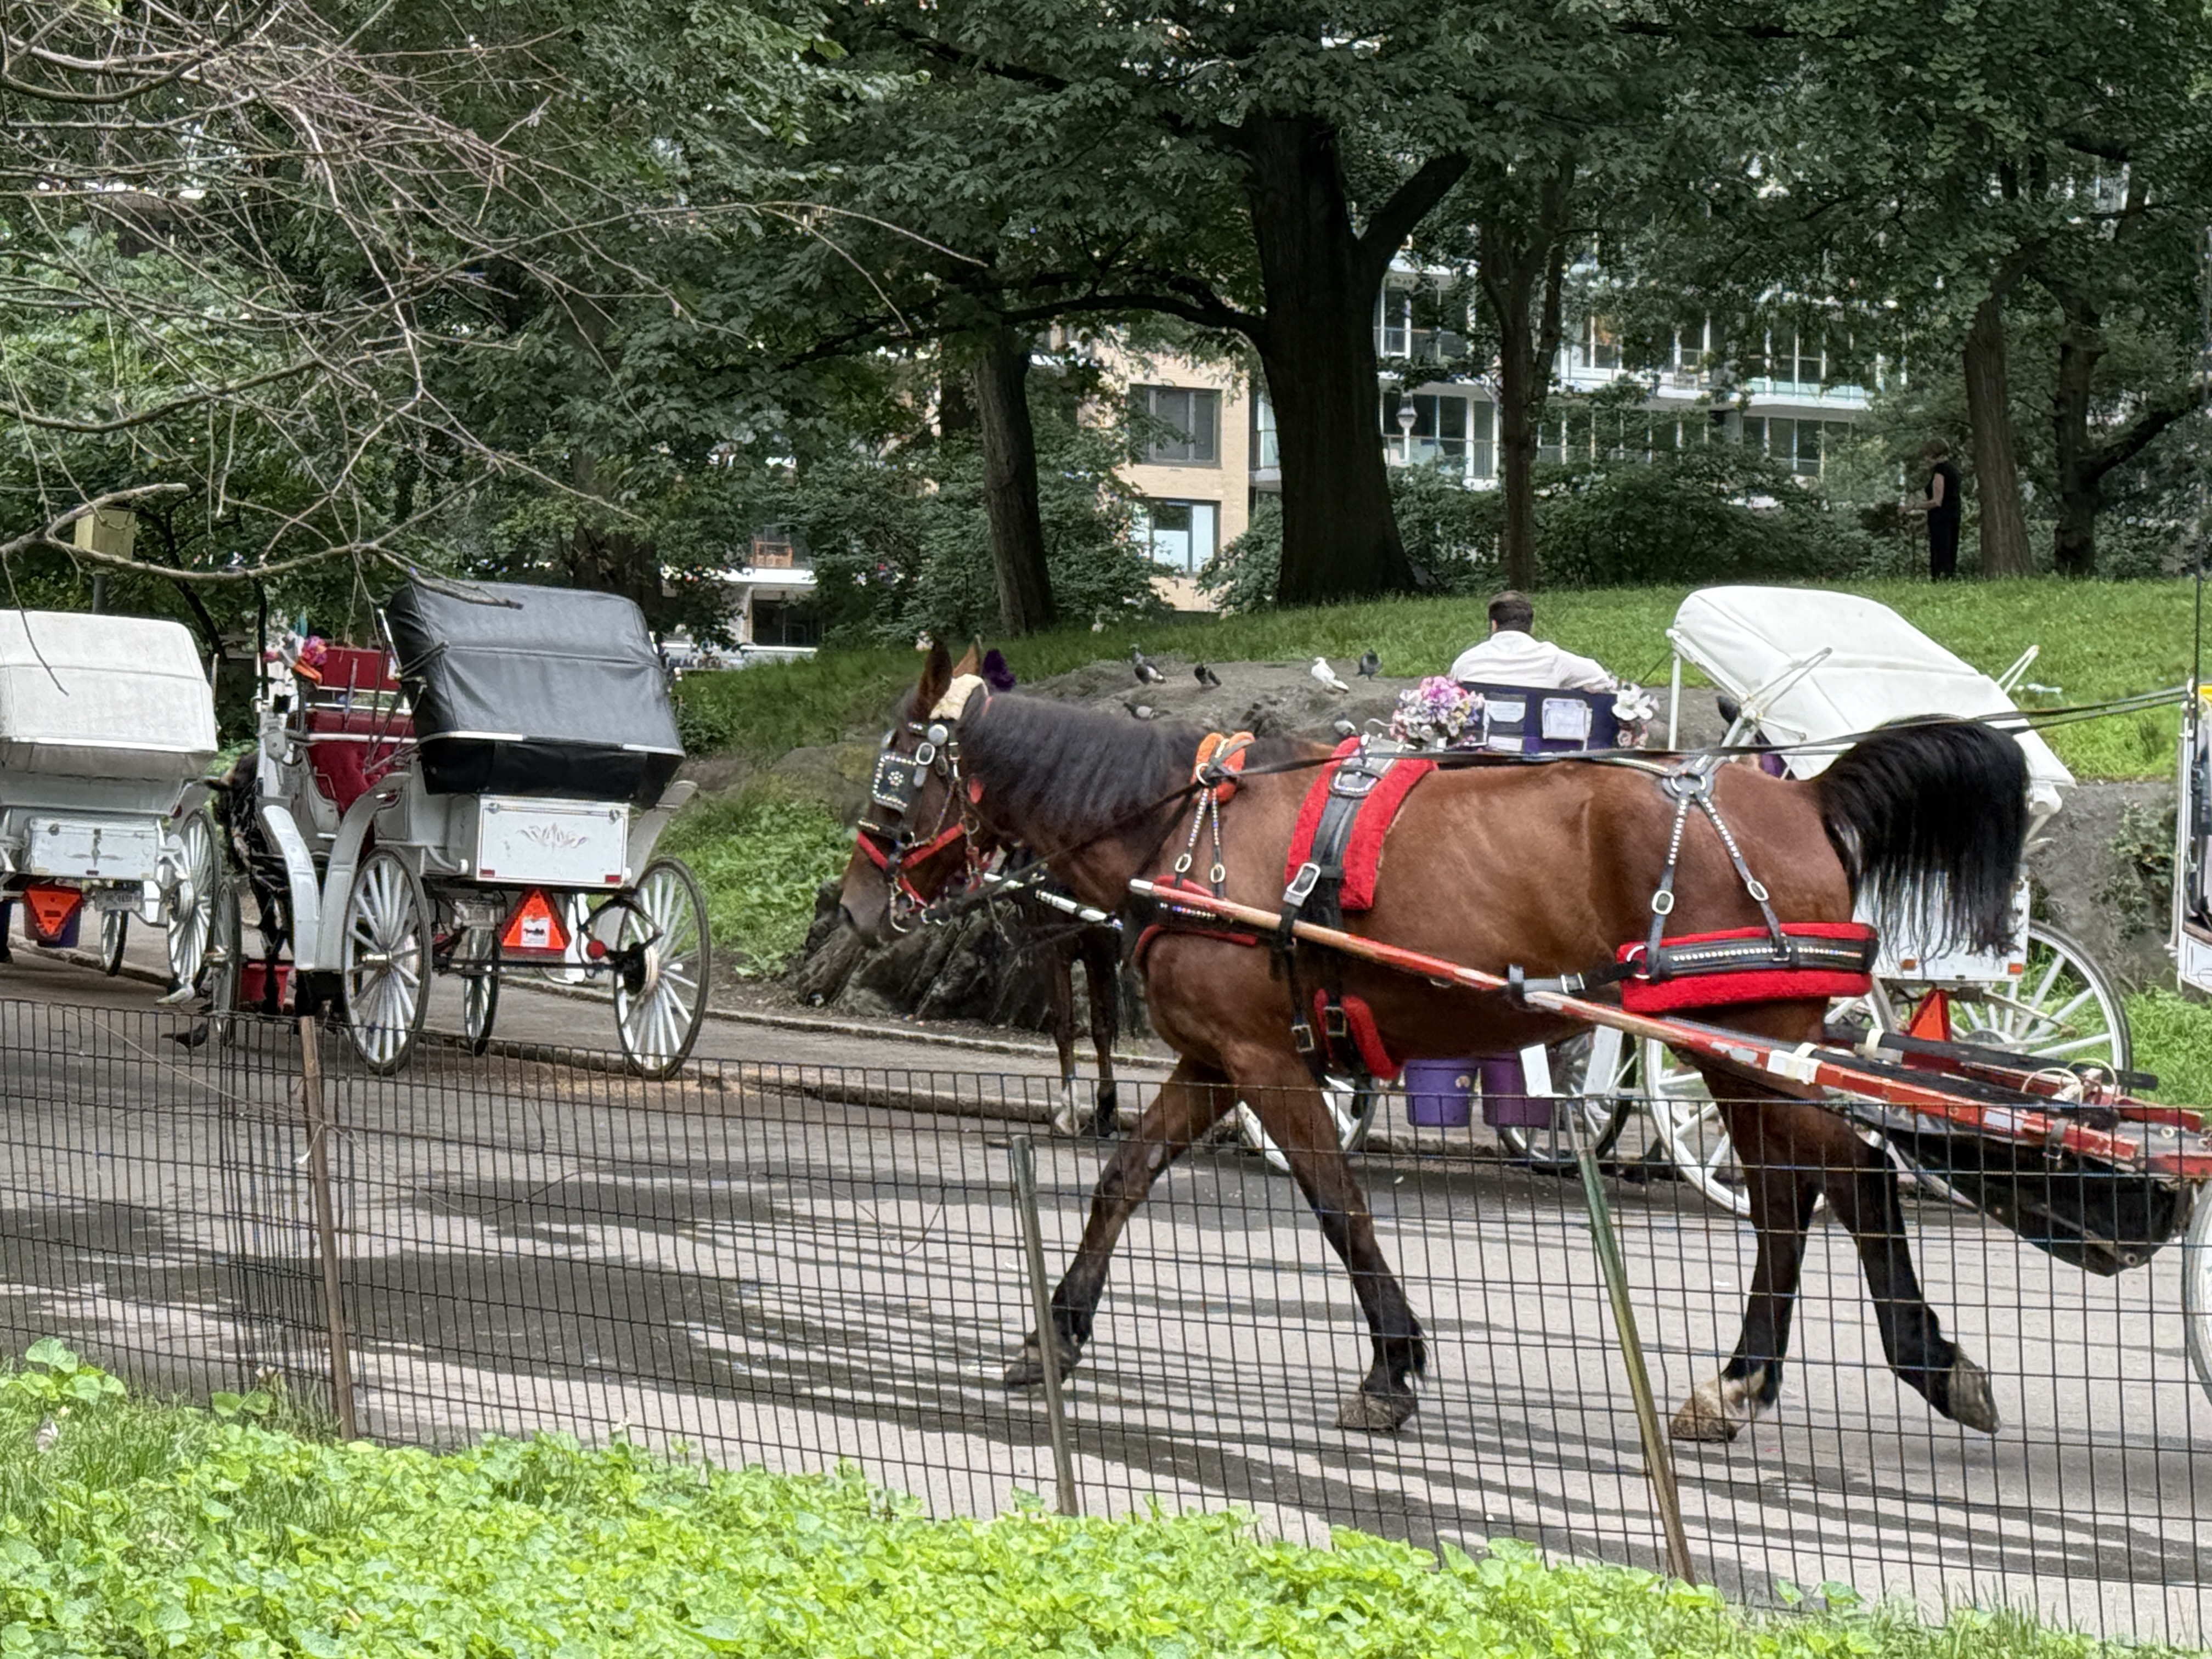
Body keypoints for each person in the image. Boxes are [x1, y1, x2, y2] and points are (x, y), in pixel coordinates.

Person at [1447, 591, 1617, 691]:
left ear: (1494, 625)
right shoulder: (1554, 659)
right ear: (1531, 627)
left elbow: (1450, 691)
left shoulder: (1466, 662)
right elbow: (1601, 679)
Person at [1905, 439, 1962, 580]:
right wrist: (1923, 521)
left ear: (1934, 455)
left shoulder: (1940, 472)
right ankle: (1948, 577)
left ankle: (1940, 578)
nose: (1926, 459)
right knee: (1950, 552)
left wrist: (1913, 506)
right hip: (1952, 517)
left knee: (1940, 553)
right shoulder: (1953, 470)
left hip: (1941, 520)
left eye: (1927, 456)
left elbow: (1937, 501)